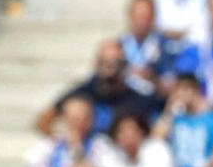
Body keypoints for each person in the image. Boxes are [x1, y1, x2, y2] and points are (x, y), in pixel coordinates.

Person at [36, 39, 164, 138]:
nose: (110, 70)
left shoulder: (137, 100)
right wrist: (63, 141)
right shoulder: (82, 93)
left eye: (115, 64)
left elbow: (160, 119)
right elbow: (43, 120)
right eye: (104, 63)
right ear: (96, 64)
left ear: (124, 65)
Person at [160, 72, 213, 167]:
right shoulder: (176, 118)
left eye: (184, 89)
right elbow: (156, 138)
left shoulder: (212, 119)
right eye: (177, 90)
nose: (180, 94)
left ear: (195, 90)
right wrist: (169, 109)